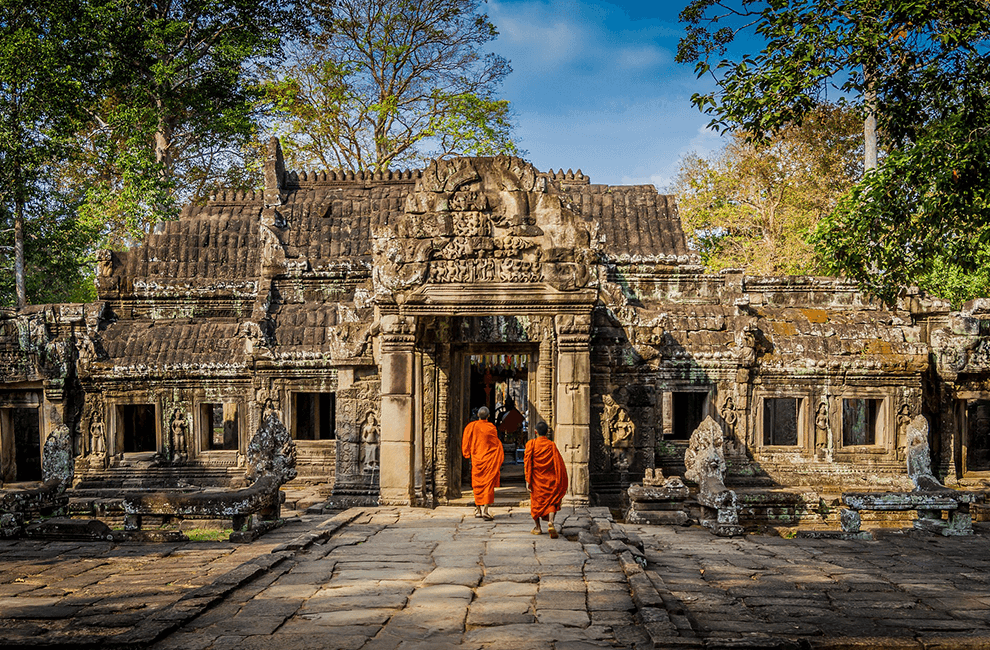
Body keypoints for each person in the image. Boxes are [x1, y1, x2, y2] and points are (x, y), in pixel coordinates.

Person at [524, 421, 568, 537]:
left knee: (536, 504)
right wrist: (560, 479)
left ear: (535, 432)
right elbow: (558, 464)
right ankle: (551, 522)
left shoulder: (531, 444)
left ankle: (538, 528)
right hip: (550, 479)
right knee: (551, 501)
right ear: (548, 432)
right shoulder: (551, 445)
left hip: (536, 480)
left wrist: (528, 480)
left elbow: (528, 463)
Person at [462, 406, 504, 520]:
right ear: (489, 416)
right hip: (488, 460)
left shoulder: (471, 427)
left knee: (477, 485)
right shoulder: (491, 428)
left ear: (477, 415)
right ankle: (485, 509)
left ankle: (478, 510)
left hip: (477, 460)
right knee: (488, 486)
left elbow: (465, 442)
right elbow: (496, 444)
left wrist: (466, 453)